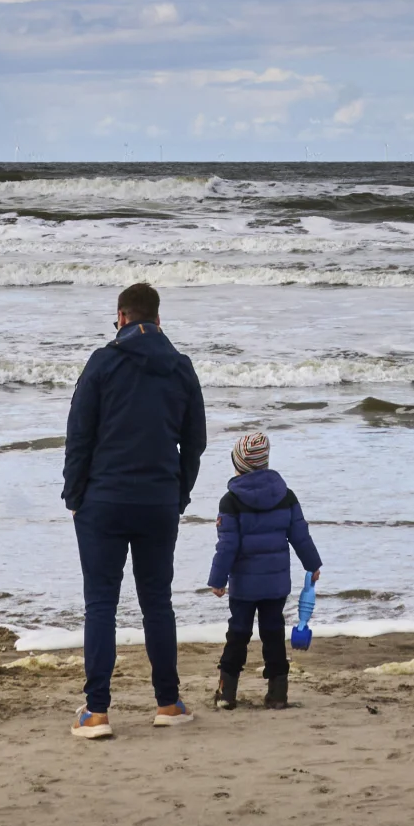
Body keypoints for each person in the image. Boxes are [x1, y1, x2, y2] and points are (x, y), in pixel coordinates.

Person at [60, 278, 209, 740]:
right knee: (156, 602)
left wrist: (74, 495)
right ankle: (168, 702)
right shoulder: (180, 367)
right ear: (159, 320)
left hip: (103, 501)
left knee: (101, 602)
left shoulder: (103, 362)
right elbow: (196, 441)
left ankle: (97, 712)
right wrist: (178, 493)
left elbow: (79, 434)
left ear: (121, 317)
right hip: (158, 501)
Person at [203, 428, 321, 711]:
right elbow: (300, 535)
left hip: (244, 586)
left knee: (238, 633)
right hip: (276, 584)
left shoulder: (230, 501)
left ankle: (227, 693)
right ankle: (278, 695)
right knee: (273, 633)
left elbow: (227, 546)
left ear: (239, 464)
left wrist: (217, 579)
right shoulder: (286, 495)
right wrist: (312, 564)